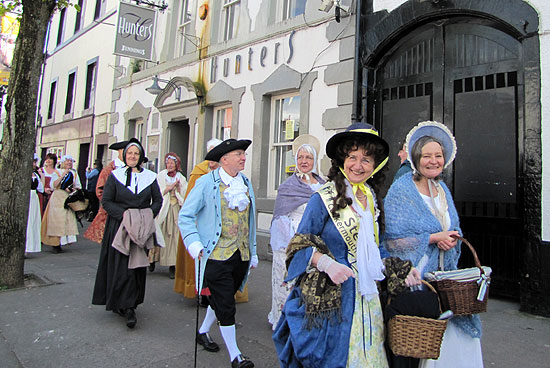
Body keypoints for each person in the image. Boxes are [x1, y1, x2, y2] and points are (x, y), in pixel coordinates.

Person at [273, 123, 420, 368]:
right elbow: (298, 245)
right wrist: (326, 263)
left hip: (368, 299)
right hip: (333, 302)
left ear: (375, 165)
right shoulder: (322, 198)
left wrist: (401, 269)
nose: (358, 166)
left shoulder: (372, 199)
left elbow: (377, 247)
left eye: (366, 159)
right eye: (352, 157)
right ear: (342, 159)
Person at [383, 121, 483, 367]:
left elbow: (454, 226)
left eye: (438, 155)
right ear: (416, 158)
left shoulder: (442, 189)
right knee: (420, 343)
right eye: (427, 156)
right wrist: (431, 238)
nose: (433, 161)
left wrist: (452, 238)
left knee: (456, 337)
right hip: (417, 278)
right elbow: (392, 241)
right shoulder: (402, 190)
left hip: (444, 278)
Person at [178, 138, 258, 368]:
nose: (243, 157)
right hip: (215, 255)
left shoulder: (245, 182)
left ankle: (202, 332)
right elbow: (185, 216)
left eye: (243, 154)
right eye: (239, 154)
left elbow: (249, 221)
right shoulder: (206, 183)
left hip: (240, 255)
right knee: (226, 305)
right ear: (224, 159)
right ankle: (236, 356)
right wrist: (194, 244)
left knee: (221, 299)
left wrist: (252, 251)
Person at [92, 138, 163, 329]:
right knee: (119, 265)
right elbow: (106, 201)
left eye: (136, 154)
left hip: (140, 228)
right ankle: (118, 301)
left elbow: (157, 200)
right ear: (125, 156)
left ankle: (131, 305)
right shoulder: (115, 176)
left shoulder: (150, 177)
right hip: (119, 227)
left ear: (140, 157)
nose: (132, 156)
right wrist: (124, 215)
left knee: (136, 266)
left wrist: (147, 216)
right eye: (130, 153)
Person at [268, 134, 326, 329]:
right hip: (292, 237)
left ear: (314, 160)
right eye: (300, 158)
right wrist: (293, 242)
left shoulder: (323, 185)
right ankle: (283, 320)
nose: (304, 161)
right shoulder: (288, 186)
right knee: (288, 281)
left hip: (316, 238)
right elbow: (281, 217)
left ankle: (306, 321)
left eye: (308, 158)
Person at [174, 138, 222, 300]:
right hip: (202, 223)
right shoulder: (199, 172)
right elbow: (190, 201)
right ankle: (202, 290)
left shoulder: (227, 172)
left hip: (220, 224)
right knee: (203, 259)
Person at [148, 152, 188, 278]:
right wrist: (168, 188)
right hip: (163, 209)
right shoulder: (160, 176)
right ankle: (153, 259)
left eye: (172, 163)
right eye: (168, 162)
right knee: (159, 233)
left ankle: (173, 265)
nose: (170, 165)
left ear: (177, 165)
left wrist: (177, 190)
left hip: (175, 209)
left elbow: (185, 193)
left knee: (175, 237)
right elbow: (156, 192)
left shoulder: (181, 178)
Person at [83, 141, 128, 243]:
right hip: (111, 211)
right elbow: (100, 190)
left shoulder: (131, 168)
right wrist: (110, 204)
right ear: (120, 152)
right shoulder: (109, 169)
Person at [41, 154, 81, 253]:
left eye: (70, 161)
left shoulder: (74, 173)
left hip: (67, 198)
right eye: (67, 161)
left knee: (66, 220)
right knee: (56, 221)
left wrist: (73, 190)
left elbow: (78, 185)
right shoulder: (57, 172)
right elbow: (53, 185)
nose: (69, 163)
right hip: (57, 198)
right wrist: (63, 175)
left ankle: (64, 241)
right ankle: (55, 243)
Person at [26, 154, 44, 255]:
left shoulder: (35, 175)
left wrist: (42, 176)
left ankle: (30, 247)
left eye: (35, 162)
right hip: (27, 197)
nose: (34, 164)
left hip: (34, 198)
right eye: (33, 162)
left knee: (33, 222)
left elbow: (41, 188)